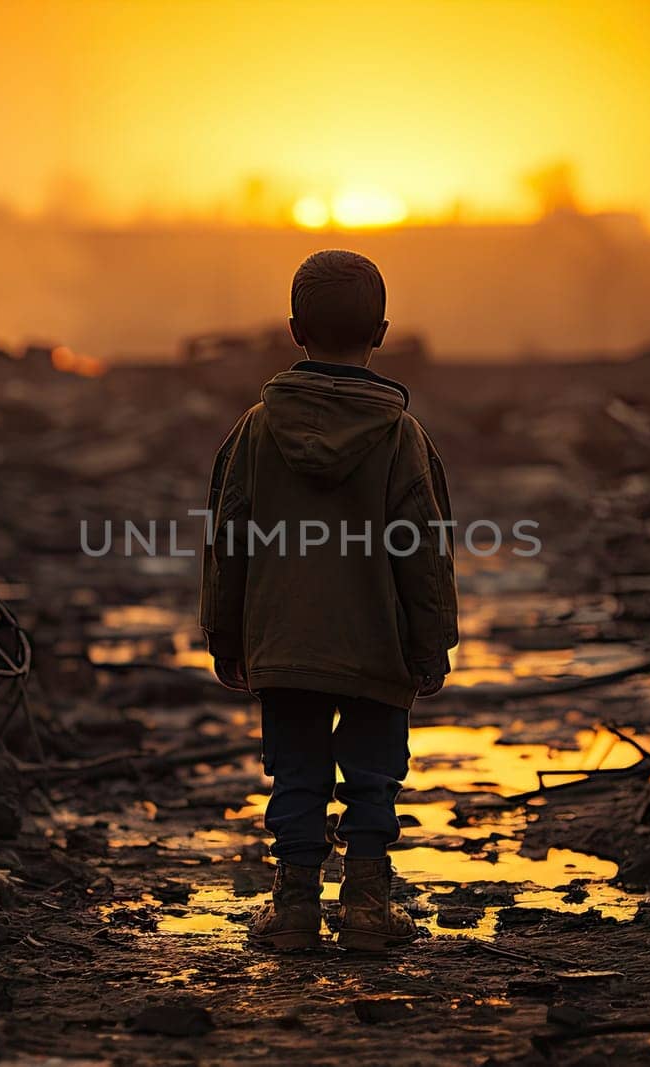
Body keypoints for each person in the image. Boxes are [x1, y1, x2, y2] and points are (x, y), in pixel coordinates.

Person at [199, 249, 459, 951]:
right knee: (374, 773)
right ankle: (370, 905)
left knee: (296, 771)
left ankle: (294, 910)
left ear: (293, 329)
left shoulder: (255, 430)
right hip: (378, 640)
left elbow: (229, 539)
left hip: (284, 644)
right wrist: (432, 642)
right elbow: (424, 549)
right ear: (381, 331)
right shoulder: (401, 435)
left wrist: (225, 636)